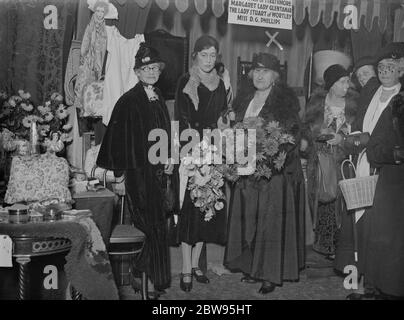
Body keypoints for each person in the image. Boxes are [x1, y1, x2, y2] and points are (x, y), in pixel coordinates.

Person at [97, 43, 173, 299]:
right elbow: (117, 138)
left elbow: (165, 134)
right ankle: (144, 279)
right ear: (138, 72)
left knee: (160, 225)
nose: (151, 72)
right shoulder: (128, 100)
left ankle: (146, 278)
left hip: (160, 174)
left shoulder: (159, 97)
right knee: (149, 227)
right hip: (139, 175)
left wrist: (169, 157)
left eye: (155, 68)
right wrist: (119, 174)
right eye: (146, 68)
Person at [224, 53, 305, 294]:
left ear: (275, 77)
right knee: (249, 219)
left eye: (266, 71)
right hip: (246, 170)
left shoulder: (286, 103)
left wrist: (266, 159)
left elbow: (291, 137)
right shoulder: (242, 100)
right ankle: (251, 268)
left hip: (274, 173)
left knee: (270, 223)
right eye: (256, 71)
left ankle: (269, 274)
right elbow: (233, 131)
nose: (260, 75)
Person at [347, 43, 404, 299]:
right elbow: (359, 128)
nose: (385, 71)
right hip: (364, 168)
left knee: (387, 235)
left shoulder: (401, 99)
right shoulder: (371, 93)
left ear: (400, 70)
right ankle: (370, 286)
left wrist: (382, 151)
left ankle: (388, 289)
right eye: (381, 67)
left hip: (391, 177)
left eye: (391, 67)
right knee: (366, 230)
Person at [174, 35, 228, 292]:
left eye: (212, 55)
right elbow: (182, 119)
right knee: (189, 214)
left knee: (207, 210)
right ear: (195, 55)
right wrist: (192, 155)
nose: (208, 60)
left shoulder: (220, 84)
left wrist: (224, 131)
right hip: (192, 150)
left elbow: (221, 118)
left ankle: (196, 264)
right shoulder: (185, 81)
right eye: (204, 55)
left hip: (213, 151)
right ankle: (185, 267)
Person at [303, 64, 358, 258]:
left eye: (347, 81)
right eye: (342, 82)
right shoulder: (316, 102)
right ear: (332, 84)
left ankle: (340, 248)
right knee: (322, 199)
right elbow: (306, 128)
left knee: (341, 203)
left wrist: (342, 139)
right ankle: (323, 245)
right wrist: (318, 134)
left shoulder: (355, 104)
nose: (347, 85)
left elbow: (360, 133)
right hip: (319, 159)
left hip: (343, 161)